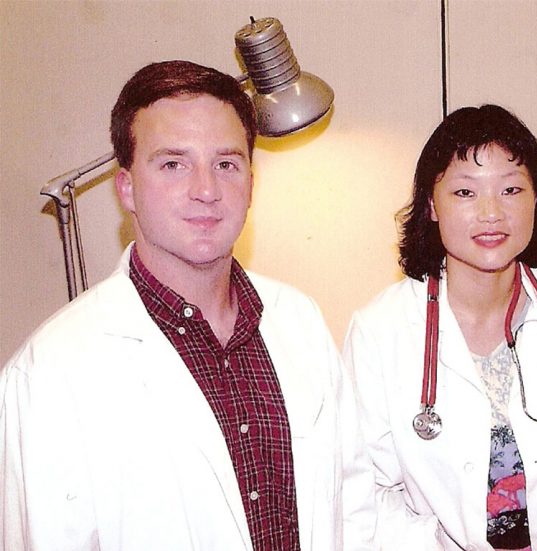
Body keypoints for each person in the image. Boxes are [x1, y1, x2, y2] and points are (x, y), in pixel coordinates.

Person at [0, 60, 376, 550]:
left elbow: (353, 510)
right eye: (173, 164)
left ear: (251, 184)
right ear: (127, 188)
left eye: (226, 164)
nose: (206, 190)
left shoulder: (298, 320)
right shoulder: (50, 372)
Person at [343, 104, 537, 551]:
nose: (491, 212)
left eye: (511, 189)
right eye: (465, 192)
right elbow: (368, 492)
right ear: (431, 205)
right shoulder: (379, 332)